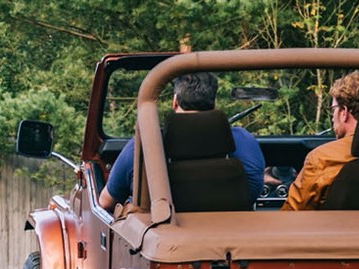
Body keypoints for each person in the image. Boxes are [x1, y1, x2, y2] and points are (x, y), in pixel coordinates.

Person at [98, 72, 264, 210]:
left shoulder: (144, 146)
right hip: (232, 242)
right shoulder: (244, 141)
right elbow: (251, 194)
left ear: (175, 102)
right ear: (214, 103)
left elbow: (105, 202)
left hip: (163, 242)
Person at [281, 70, 359, 211]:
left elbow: (292, 215)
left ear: (343, 112)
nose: (332, 117)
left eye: (333, 110)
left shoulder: (322, 159)